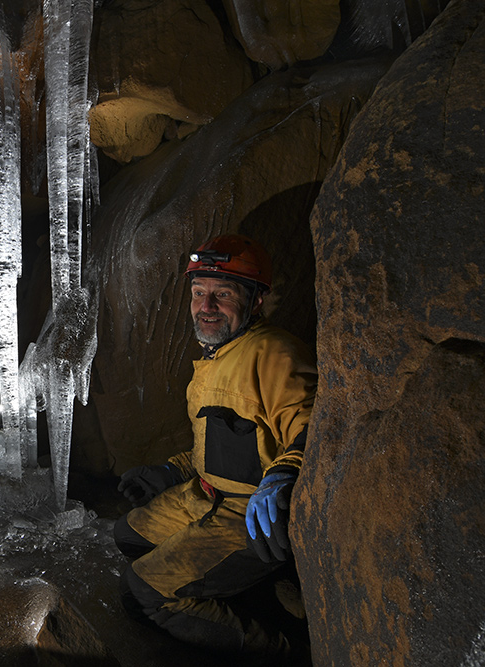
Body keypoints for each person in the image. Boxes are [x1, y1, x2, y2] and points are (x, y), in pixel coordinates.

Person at [113, 233, 317, 661]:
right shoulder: (213, 358)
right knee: (128, 534)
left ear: (255, 300)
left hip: (249, 514)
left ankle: (284, 650)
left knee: (144, 594)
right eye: (199, 293)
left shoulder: (274, 354)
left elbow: (312, 428)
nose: (206, 307)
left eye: (221, 295)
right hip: (204, 495)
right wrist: (169, 472)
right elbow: (217, 447)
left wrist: (283, 476)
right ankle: (235, 591)